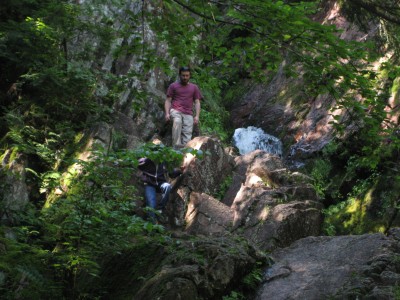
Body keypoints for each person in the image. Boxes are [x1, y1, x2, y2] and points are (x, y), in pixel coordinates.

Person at [137, 141, 183, 223]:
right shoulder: (146, 160)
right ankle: (153, 224)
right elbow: (135, 162)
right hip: (150, 184)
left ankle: (160, 208)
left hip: (160, 183)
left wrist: (180, 171)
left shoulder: (163, 160)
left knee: (167, 186)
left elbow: (171, 173)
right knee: (151, 203)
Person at [164, 66, 202, 148]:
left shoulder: (194, 87)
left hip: (188, 113)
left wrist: (197, 116)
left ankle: (184, 152)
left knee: (187, 132)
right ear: (179, 75)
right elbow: (168, 100)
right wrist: (167, 113)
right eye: (183, 75)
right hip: (175, 110)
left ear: (190, 76)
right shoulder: (173, 86)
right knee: (177, 122)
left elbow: (197, 102)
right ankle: (175, 147)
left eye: (187, 75)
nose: (185, 77)